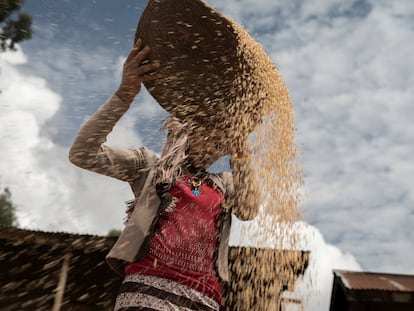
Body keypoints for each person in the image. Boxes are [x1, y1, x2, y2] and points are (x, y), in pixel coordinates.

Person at [69, 38, 259, 311]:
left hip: (204, 300)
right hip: (147, 291)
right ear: (188, 128)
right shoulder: (151, 167)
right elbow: (82, 154)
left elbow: (249, 209)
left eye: (222, 144)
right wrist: (124, 95)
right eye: (209, 135)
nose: (215, 148)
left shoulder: (224, 186)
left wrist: (242, 151)